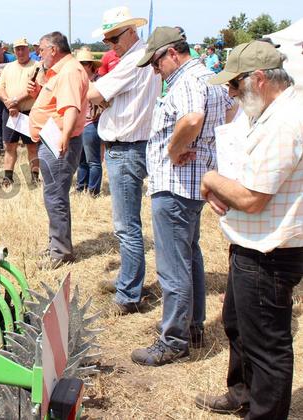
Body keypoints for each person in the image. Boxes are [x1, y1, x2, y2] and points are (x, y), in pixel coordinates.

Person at [196, 41, 302, 419]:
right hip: (253, 245)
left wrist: (210, 179)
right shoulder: (274, 112)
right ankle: (242, 393)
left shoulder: (285, 122)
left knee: (267, 347)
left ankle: (265, 411)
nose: (231, 93)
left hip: (268, 253)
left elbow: (253, 198)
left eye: (235, 85)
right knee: (239, 325)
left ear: (259, 79)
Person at [129, 27, 232, 366]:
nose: (155, 70)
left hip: (175, 185)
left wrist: (175, 149)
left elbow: (192, 117)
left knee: (174, 268)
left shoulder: (187, 80)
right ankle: (193, 327)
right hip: (190, 185)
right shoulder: (209, 77)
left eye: (156, 62)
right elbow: (227, 115)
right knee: (190, 258)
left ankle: (173, 340)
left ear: (172, 53)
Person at [86, 6, 162, 314]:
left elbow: (94, 93)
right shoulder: (137, 58)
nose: (110, 45)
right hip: (130, 145)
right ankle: (128, 279)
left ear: (131, 32)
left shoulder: (133, 60)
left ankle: (128, 294)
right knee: (127, 223)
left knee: (126, 225)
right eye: (107, 41)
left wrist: (99, 95)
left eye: (114, 38)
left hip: (127, 147)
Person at [28, 31, 89, 269]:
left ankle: (60, 252)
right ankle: (56, 243)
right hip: (53, 139)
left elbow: (71, 108)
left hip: (59, 142)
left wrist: (63, 138)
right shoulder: (61, 71)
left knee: (55, 197)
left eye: (41, 50)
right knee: (53, 196)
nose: (39, 54)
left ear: (53, 50)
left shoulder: (69, 71)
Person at [0, 38, 39, 187]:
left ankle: (34, 178)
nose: (20, 52)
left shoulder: (36, 66)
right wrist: (9, 103)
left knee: (32, 147)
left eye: (23, 49)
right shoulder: (8, 68)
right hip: (10, 112)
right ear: (14, 51)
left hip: (28, 112)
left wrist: (14, 102)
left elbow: (33, 91)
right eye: (17, 49)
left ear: (28, 49)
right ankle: (8, 178)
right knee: (9, 146)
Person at [74, 48, 104, 196]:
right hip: (80, 123)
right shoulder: (78, 81)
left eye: (85, 63)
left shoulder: (98, 81)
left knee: (93, 160)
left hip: (93, 122)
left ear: (91, 65)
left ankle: (93, 191)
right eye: (80, 63)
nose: (82, 66)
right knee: (82, 160)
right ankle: (81, 188)